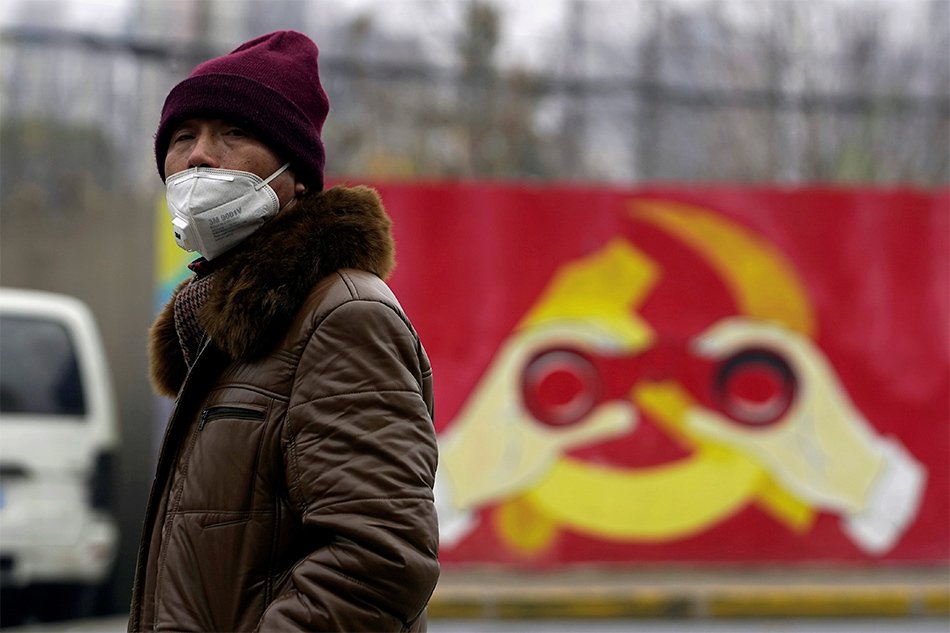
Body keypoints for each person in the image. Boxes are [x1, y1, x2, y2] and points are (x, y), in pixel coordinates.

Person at [128, 30, 440, 632]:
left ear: (296, 175)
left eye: (234, 134)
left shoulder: (342, 316)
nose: (198, 156)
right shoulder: (221, 333)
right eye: (183, 137)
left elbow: (378, 560)